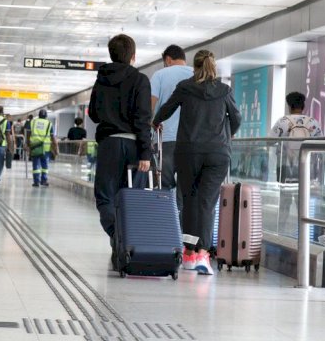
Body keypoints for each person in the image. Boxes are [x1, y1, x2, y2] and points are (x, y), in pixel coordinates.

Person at [153, 49, 241, 275]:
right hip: (217, 154)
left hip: (189, 152)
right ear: (213, 67)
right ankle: (201, 253)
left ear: (195, 66)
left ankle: (190, 253)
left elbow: (165, 110)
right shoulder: (224, 90)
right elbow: (236, 118)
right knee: (206, 202)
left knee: (190, 201)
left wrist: (155, 122)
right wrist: (226, 136)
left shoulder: (185, 87)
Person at [88, 34, 152, 268]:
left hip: (109, 144)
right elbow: (143, 118)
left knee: (105, 197)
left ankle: (117, 236)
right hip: (135, 147)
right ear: (133, 56)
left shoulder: (101, 80)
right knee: (132, 198)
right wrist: (146, 153)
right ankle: (125, 240)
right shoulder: (141, 80)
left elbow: (94, 113)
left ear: (111, 54)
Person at [271, 91, 324, 229]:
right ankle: (304, 232)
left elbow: (269, 142)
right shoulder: (312, 123)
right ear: (303, 106)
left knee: (285, 201)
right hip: (306, 167)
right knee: (303, 202)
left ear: (289, 105)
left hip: (285, 167)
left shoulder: (283, 122)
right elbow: (322, 144)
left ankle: (280, 230)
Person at [150, 44, 193, 214]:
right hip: (190, 142)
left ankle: (164, 228)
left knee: (163, 186)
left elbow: (150, 106)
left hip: (164, 140)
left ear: (168, 60)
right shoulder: (195, 74)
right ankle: (182, 233)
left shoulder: (160, 75)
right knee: (185, 190)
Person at [28, 109, 57, 187]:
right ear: (46, 116)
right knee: (45, 165)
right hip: (45, 147)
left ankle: (36, 181)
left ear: (39, 115)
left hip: (35, 146)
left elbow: (29, 134)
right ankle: (44, 180)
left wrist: (27, 144)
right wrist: (55, 147)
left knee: (35, 165)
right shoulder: (49, 124)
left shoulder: (33, 122)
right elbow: (52, 137)